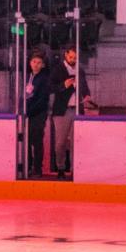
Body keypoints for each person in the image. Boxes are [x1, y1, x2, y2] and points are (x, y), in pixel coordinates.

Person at [21, 51, 59, 179]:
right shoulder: (28, 77)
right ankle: (28, 166)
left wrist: (29, 111)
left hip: (38, 114)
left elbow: (42, 99)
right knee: (27, 141)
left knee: (36, 141)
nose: (35, 64)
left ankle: (37, 169)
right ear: (30, 63)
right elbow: (25, 96)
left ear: (43, 65)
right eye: (33, 62)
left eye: (38, 63)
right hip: (28, 114)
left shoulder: (44, 79)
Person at [49, 44, 84, 177]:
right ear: (65, 55)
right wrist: (63, 85)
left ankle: (76, 169)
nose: (73, 60)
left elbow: (84, 86)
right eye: (71, 57)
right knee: (61, 142)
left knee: (77, 141)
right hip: (62, 110)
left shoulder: (79, 70)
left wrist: (86, 96)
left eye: (75, 58)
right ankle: (61, 168)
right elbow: (50, 87)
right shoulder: (58, 70)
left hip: (77, 109)